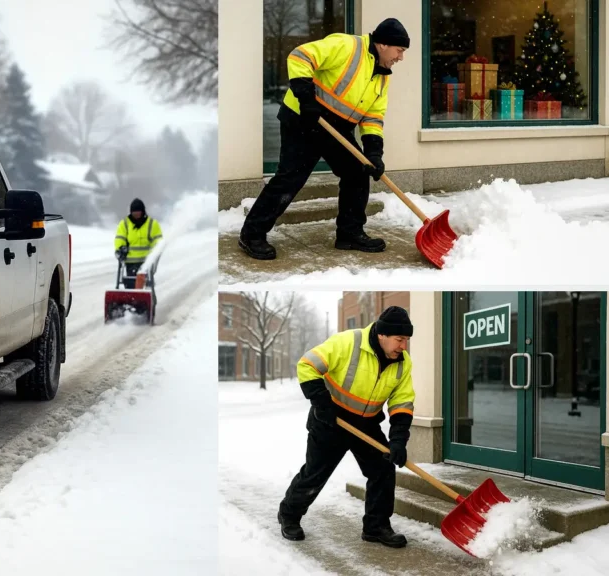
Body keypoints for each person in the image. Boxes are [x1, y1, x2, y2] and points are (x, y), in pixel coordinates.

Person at [240, 18, 410, 260]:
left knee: (357, 172)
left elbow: (373, 117)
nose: (400, 57)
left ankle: (349, 234)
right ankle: (251, 234)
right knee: (290, 178)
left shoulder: (382, 76)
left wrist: (374, 152)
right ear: (384, 44)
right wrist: (307, 99)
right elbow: (300, 56)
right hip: (304, 119)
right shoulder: (347, 47)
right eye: (399, 50)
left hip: (337, 128)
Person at [279, 305, 416, 549]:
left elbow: (402, 402)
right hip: (330, 420)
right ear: (382, 335)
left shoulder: (402, 363)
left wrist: (397, 440)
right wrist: (322, 403)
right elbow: (307, 365)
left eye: (406, 340)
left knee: (382, 470)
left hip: (366, 424)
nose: (403, 346)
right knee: (315, 473)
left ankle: (376, 526)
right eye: (399, 339)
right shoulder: (348, 342)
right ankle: (289, 516)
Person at [113, 198, 163, 288]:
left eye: (138, 212)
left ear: (143, 211)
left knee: (145, 285)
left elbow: (158, 240)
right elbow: (120, 238)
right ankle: (132, 300)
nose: (136, 214)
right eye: (134, 212)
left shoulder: (152, 224)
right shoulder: (124, 224)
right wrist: (121, 248)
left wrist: (156, 250)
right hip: (130, 261)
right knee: (131, 285)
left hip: (146, 261)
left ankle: (145, 299)